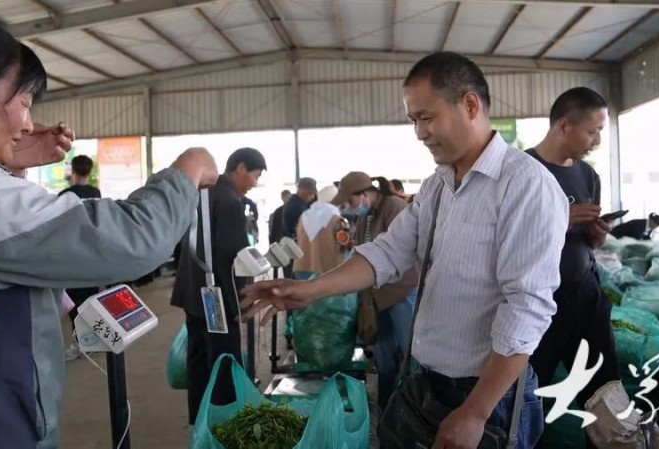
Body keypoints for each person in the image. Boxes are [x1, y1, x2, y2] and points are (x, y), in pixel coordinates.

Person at [0, 14, 218, 449]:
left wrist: (5, 163)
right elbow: (134, 239)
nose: (26, 123)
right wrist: (187, 168)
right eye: (23, 101)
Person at [240, 51, 569, 449]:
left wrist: (476, 412)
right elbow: (387, 253)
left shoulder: (524, 185)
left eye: (426, 117)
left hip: (487, 395)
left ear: (469, 105)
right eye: (413, 120)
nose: (419, 132)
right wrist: (308, 290)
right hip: (430, 382)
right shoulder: (437, 187)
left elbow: (527, 308)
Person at [525, 87, 622, 449]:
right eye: (592, 131)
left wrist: (596, 235)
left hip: (585, 297)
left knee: (605, 395)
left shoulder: (587, 175)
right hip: (538, 305)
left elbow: (586, 243)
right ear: (564, 125)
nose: (596, 140)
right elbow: (506, 240)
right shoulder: (523, 171)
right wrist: (559, 219)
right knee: (527, 398)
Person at [170, 147, 267, 425]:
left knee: (199, 357)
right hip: (218, 298)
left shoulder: (200, 193)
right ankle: (225, 423)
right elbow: (232, 258)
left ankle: (200, 420)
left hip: (192, 293)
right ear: (240, 168)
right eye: (254, 174)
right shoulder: (228, 200)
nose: (254, 182)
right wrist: (240, 302)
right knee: (225, 359)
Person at [336, 174, 420, 410]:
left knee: (410, 353)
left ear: (363, 194)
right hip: (378, 297)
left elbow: (403, 254)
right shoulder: (366, 215)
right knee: (384, 356)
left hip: (402, 293)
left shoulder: (394, 207)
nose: (348, 207)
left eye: (350, 201)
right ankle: (388, 405)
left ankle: (413, 406)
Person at [58, 155, 103, 361]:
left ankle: (81, 342)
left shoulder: (65, 194)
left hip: (72, 253)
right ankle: (90, 340)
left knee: (74, 301)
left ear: (72, 171)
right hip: (91, 252)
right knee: (90, 298)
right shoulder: (96, 193)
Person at [292, 185, 346, 280]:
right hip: (326, 271)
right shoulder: (337, 219)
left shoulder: (304, 215)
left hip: (301, 267)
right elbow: (344, 246)